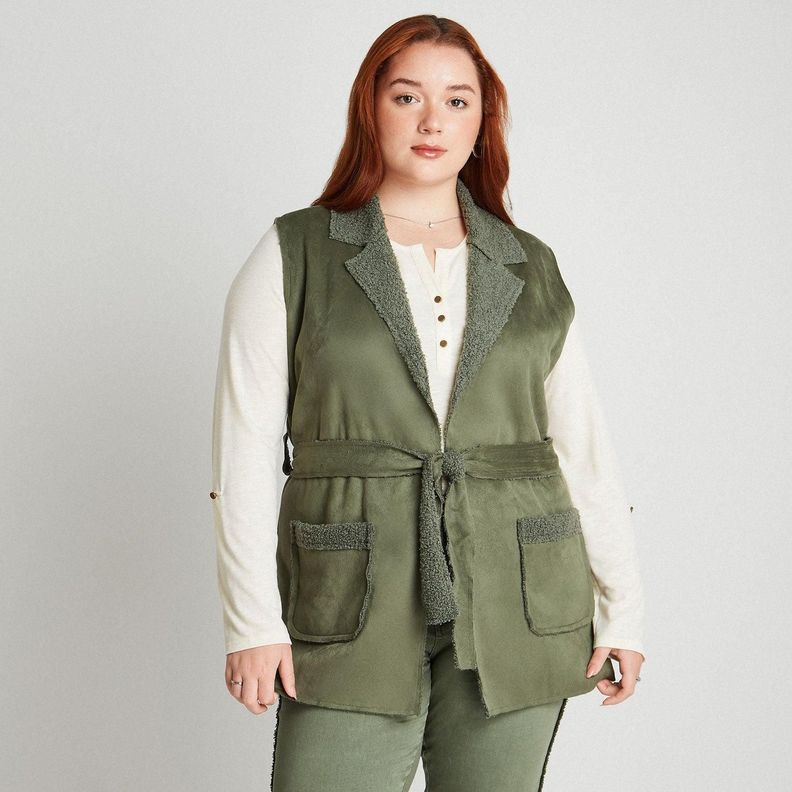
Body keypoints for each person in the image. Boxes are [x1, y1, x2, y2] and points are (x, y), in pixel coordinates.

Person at [210, 14, 645, 792]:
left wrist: (624, 610)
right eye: (407, 96)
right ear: (370, 108)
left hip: (518, 598)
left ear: (483, 120)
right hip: (351, 596)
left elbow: (583, 450)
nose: (432, 121)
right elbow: (242, 452)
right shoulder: (296, 250)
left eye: (457, 101)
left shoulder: (529, 264)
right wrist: (252, 622)